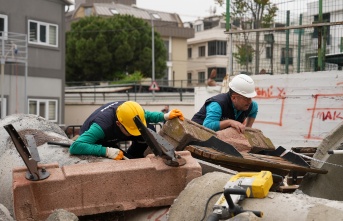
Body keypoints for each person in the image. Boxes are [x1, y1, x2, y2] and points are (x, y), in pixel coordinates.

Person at [69, 101, 184, 160]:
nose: (136, 133)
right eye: (131, 130)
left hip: (117, 131)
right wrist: (106, 151)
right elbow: (76, 146)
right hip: (102, 139)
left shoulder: (131, 110)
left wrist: (165, 116)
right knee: (120, 157)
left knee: (148, 131)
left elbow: (146, 115)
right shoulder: (100, 127)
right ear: (119, 124)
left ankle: (136, 159)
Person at [192, 74, 258, 133]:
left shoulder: (251, 105)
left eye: (250, 97)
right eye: (246, 98)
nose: (249, 101)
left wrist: (248, 129)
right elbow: (207, 126)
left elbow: (254, 109)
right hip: (196, 133)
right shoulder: (217, 104)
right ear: (234, 98)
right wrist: (230, 122)